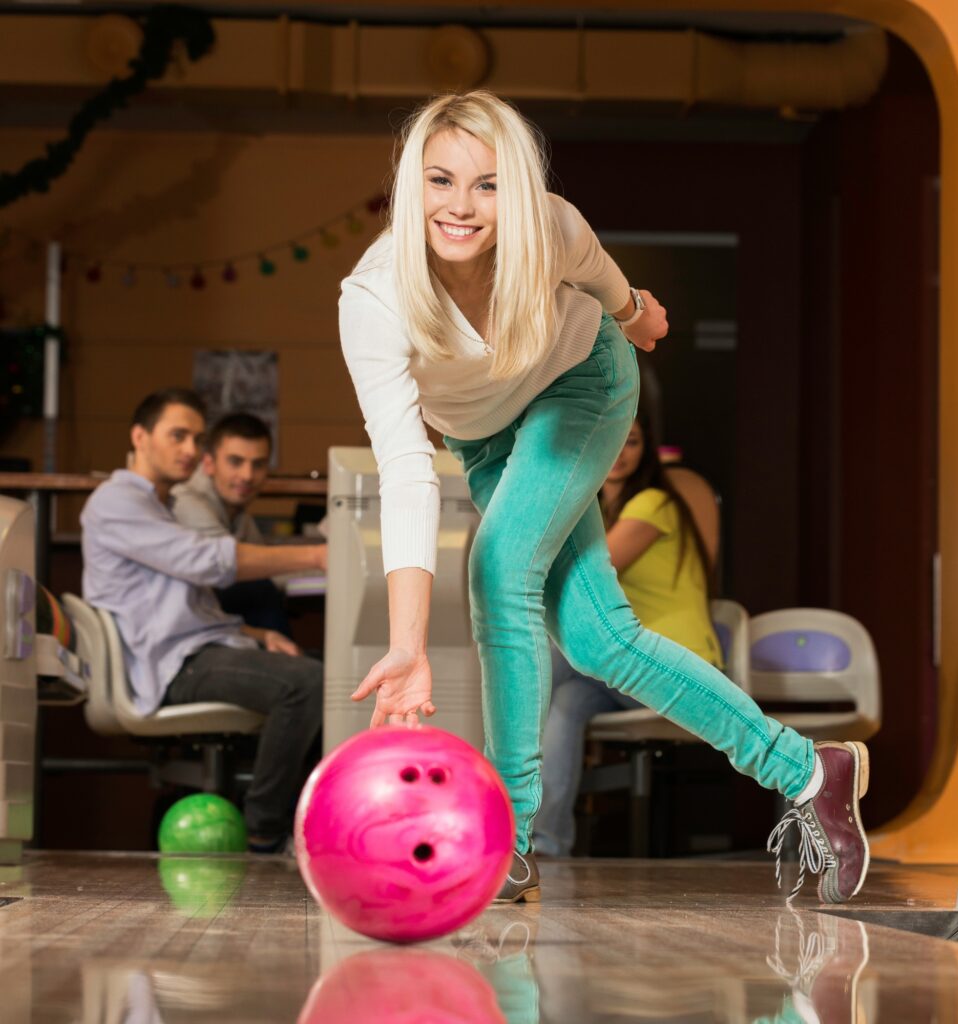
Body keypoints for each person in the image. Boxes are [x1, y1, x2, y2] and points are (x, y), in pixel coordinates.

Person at [338, 90, 869, 905]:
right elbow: (406, 467)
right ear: (412, 185)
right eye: (441, 181)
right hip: (485, 438)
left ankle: (508, 840)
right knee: (598, 641)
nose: (461, 206)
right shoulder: (374, 300)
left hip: (580, 389)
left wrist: (638, 319)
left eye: (487, 185)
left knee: (499, 570)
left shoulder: (548, 228)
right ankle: (808, 768)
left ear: (515, 190)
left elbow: (604, 280)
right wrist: (407, 642)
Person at [81, 388, 326, 853]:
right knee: (306, 683)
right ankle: (265, 834)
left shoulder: (161, 506)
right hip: (174, 666)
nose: (191, 450)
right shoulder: (116, 502)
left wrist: (257, 634)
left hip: (196, 652)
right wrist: (316, 554)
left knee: (330, 681)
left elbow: (190, 608)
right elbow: (205, 562)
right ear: (140, 436)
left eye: (196, 438)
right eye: (178, 436)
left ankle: (312, 820)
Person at [533, 408, 723, 857]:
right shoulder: (600, 511)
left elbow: (590, 571)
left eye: (632, 442)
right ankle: (545, 845)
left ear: (647, 451)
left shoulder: (652, 502)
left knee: (544, 662)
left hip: (673, 665)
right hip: (624, 670)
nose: (620, 453)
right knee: (566, 703)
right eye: (614, 440)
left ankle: (493, 802)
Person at [172, 411, 291, 635]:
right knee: (258, 590)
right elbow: (231, 564)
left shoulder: (240, 516)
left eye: (258, 464)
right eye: (235, 462)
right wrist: (319, 557)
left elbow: (264, 566)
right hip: (183, 641)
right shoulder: (185, 500)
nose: (247, 475)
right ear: (209, 463)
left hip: (215, 628)